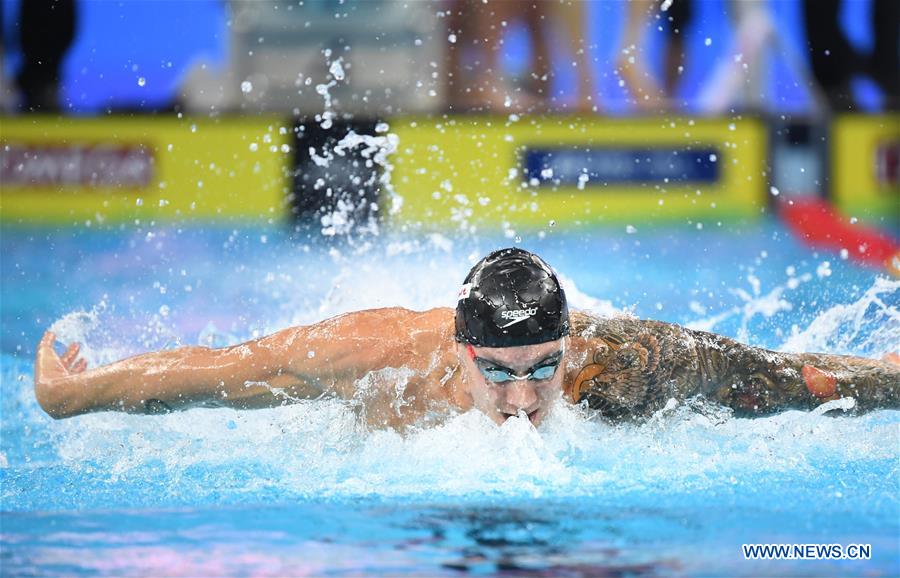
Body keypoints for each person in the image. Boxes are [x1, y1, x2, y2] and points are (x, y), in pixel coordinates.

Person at [34, 248, 899, 429]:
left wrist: (885, 378)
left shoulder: (614, 361)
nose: (523, 403)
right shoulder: (381, 357)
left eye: (542, 373)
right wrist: (73, 392)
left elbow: (790, 378)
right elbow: (219, 373)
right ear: (458, 350)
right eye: (499, 375)